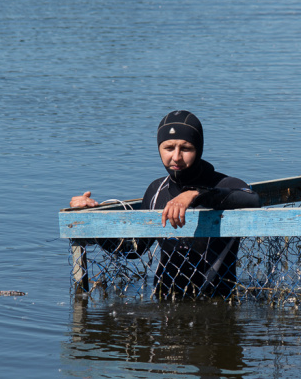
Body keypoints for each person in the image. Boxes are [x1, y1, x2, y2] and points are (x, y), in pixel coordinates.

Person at [69, 111, 260, 298]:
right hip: (165, 300)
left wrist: (196, 194)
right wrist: (93, 217)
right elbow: (135, 249)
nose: (176, 157)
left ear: (199, 149)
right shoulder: (157, 190)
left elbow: (252, 199)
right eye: (169, 148)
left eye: (185, 148)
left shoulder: (224, 184)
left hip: (217, 302)